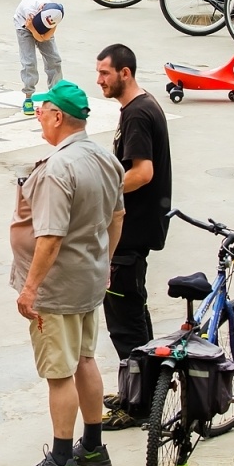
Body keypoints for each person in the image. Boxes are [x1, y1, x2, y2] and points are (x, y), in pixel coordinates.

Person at [9, 81, 125, 466]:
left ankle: (61, 460)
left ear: (58, 116)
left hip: (56, 289)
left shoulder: (59, 168)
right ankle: (93, 446)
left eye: (42, 111)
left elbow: (51, 236)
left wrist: (30, 288)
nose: (38, 117)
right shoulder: (104, 158)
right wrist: (104, 262)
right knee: (85, 360)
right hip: (89, 279)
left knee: (60, 373)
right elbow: (117, 217)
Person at [93, 44, 172, 431]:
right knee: (134, 312)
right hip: (139, 228)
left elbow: (142, 172)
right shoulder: (141, 106)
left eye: (105, 73)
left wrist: (104, 193)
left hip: (131, 231)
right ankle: (140, 389)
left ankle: (138, 406)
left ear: (125, 73)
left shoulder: (138, 113)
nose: (100, 80)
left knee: (124, 321)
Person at [13, 0, 64, 116]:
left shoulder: (56, 14)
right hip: (24, 26)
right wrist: (31, 27)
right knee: (29, 62)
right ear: (40, 12)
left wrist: (38, 30)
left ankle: (55, 96)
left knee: (54, 60)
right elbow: (35, 35)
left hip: (34, 27)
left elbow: (43, 38)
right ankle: (28, 98)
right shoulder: (29, 11)